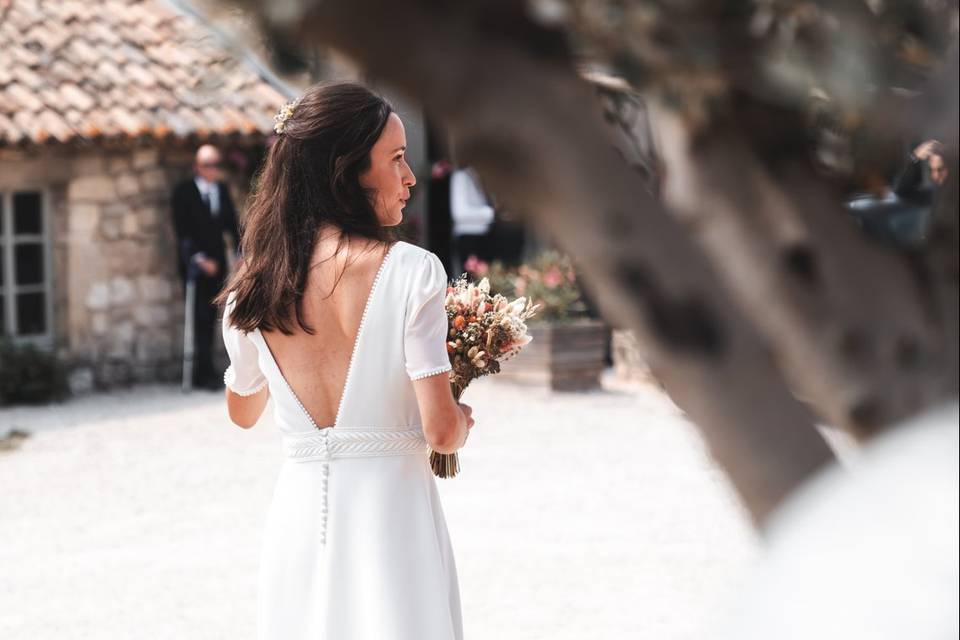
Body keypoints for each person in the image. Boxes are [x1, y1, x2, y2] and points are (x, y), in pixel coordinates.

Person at [213, 82, 474, 640]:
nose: (410, 177)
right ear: (349, 169)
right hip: (393, 513)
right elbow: (442, 431)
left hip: (301, 515)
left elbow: (242, 411)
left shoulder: (250, 291)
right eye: (397, 159)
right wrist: (462, 416)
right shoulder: (411, 270)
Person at [170, 144, 240, 390]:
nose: (212, 170)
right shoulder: (184, 192)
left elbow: (232, 223)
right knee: (198, 317)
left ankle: (210, 369)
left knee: (213, 318)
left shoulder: (220, 190)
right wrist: (200, 259)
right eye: (208, 165)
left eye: (216, 165)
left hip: (218, 263)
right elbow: (183, 232)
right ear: (198, 167)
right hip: (195, 266)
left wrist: (241, 252)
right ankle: (202, 373)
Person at [449, 165, 495, 276]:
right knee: (472, 284)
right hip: (469, 237)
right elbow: (459, 213)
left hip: (486, 235)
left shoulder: (479, 175)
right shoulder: (461, 176)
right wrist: (492, 213)